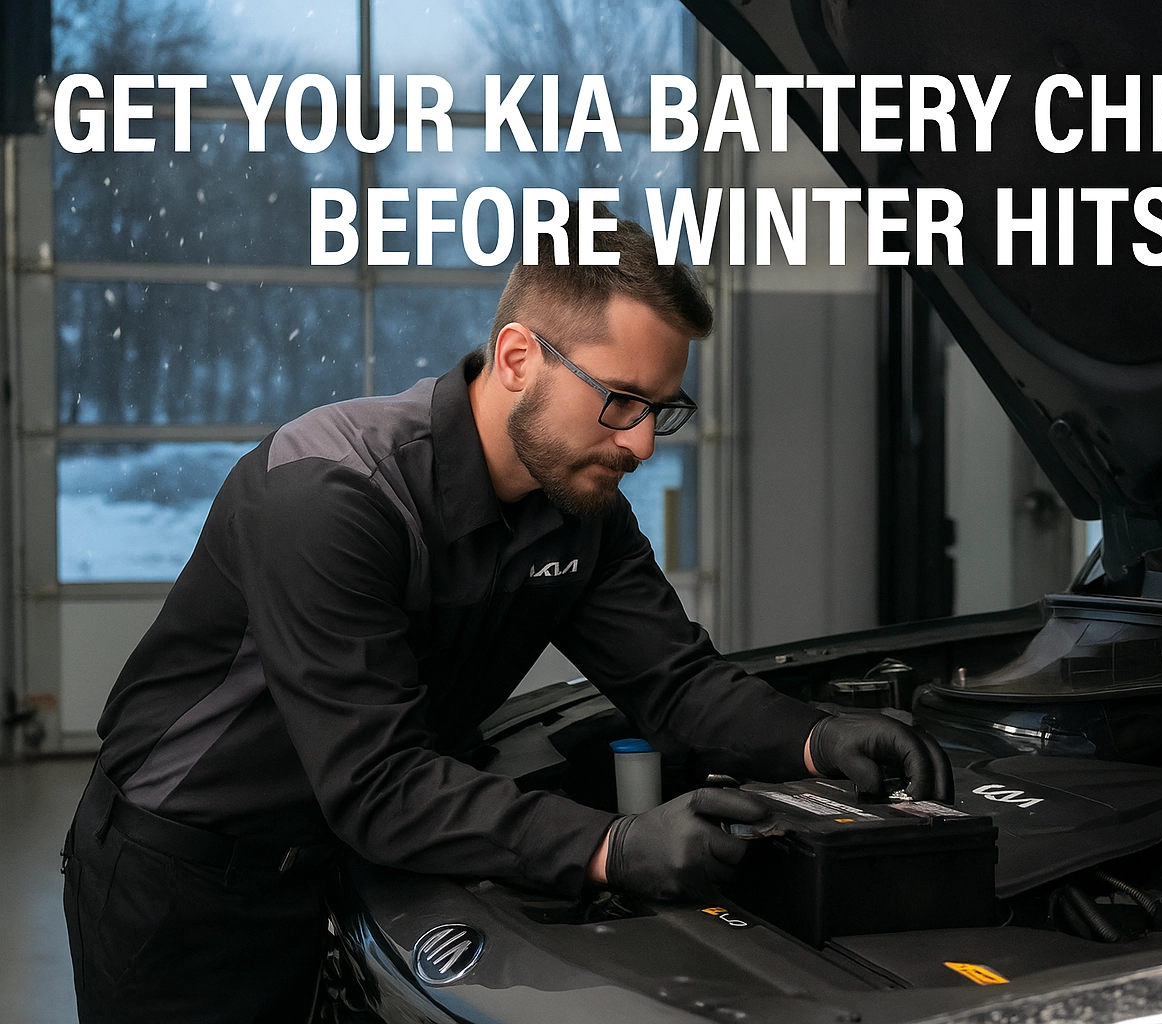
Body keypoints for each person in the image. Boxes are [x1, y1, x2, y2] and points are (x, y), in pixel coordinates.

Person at [62, 211, 952, 1024]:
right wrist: (613, 845)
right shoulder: (333, 494)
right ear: (519, 356)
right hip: (185, 884)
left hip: (352, 868)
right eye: (622, 401)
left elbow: (676, 682)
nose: (641, 442)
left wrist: (819, 739)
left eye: (661, 410)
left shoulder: (579, 505)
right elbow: (379, 783)